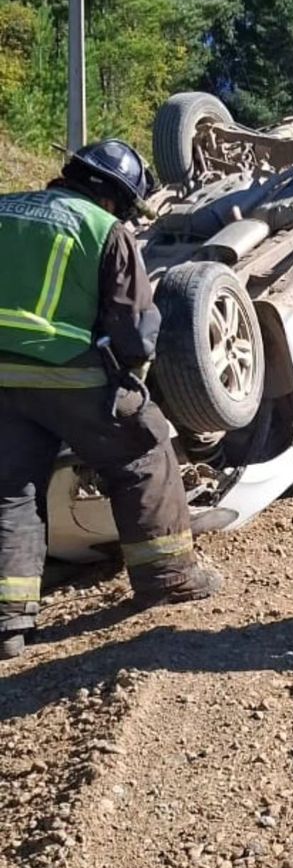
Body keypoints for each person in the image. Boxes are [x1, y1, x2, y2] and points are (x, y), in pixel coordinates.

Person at [0, 140, 222, 659]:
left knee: (10, 490)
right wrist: (134, 373)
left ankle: (8, 624)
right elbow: (135, 332)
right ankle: (166, 575)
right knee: (143, 452)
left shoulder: (4, 208)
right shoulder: (104, 230)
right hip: (69, 375)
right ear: (113, 198)